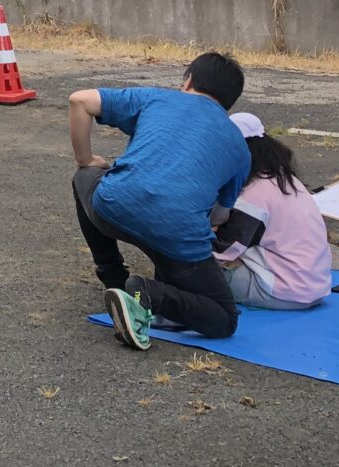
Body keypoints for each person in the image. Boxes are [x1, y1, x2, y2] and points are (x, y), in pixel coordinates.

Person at [69, 52, 252, 351]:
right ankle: (146, 294)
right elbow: (219, 217)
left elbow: (80, 100)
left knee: (83, 178)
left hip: (115, 205)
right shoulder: (240, 147)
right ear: (230, 101)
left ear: (188, 80)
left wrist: (86, 159)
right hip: (179, 235)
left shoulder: (154, 99)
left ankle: (114, 278)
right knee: (225, 319)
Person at [212, 113, 331, 310]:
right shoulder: (286, 180)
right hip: (314, 286)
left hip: (284, 292)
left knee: (196, 269)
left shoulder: (254, 196)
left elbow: (222, 250)